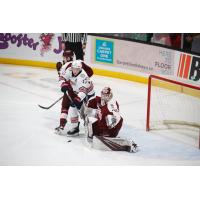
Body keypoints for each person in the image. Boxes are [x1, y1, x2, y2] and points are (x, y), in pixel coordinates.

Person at [85, 87, 138, 153]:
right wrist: (93, 111)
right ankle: (92, 134)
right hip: (100, 127)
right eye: (103, 95)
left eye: (106, 95)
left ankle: (107, 136)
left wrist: (110, 121)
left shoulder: (112, 105)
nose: (104, 97)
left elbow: (116, 120)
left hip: (110, 129)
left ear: (110, 96)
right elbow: (86, 111)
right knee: (90, 117)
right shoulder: (95, 100)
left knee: (111, 118)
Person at [55, 59, 94, 136]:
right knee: (73, 107)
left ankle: (92, 128)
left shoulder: (83, 76)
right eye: (73, 68)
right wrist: (63, 85)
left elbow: (83, 91)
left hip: (88, 94)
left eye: (77, 69)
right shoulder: (69, 70)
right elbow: (62, 78)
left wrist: (77, 99)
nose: (74, 70)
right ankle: (75, 128)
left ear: (80, 69)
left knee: (87, 111)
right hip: (77, 91)